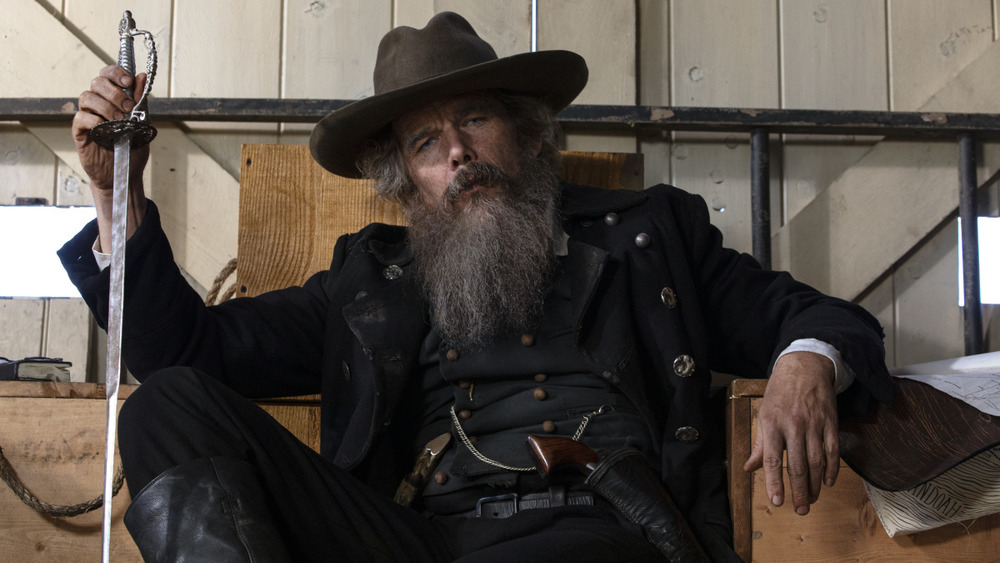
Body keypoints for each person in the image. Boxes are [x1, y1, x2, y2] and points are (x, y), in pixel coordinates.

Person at [61, 11, 894, 563]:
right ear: (407, 176)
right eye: (426, 140)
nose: (455, 151)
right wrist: (113, 192)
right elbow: (180, 350)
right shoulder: (366, 280)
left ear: (524, 136)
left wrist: (804, 361)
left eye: (475, 121)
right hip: (414, 538)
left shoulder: (650, 237)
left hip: (595, 531)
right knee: (164, 405)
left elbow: (816, 316)